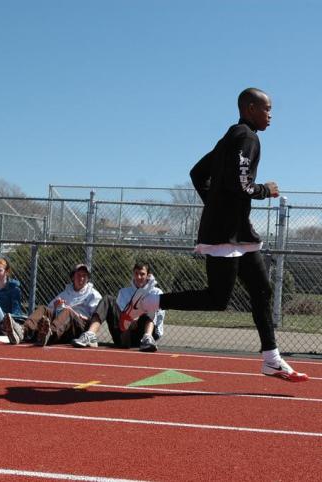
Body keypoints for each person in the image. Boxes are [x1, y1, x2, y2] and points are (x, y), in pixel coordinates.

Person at [124, 88, 307, 382]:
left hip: (239, 232)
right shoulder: (246, 137)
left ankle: (271, 359)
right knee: (217, 298)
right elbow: (242, 183)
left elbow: (197, 173)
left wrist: (215, 203)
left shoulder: (227, 140)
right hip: (224, 234)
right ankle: (151, 302)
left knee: (262, 290)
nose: (271, 115)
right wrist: (265, 191)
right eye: (267, 109)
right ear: (249, 108)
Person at [71, 260, 165, 352]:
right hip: (124, 334)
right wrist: (129, 321)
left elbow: (159, 318)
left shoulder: (156, 292)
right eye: (136, 273)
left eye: (142, 274)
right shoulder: (124, 292)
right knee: (107, 299)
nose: (138, 277)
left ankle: (147, 339)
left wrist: (137, 317)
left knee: (151, 303)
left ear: (148, 276)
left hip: (143, 331)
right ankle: (90, 334)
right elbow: (119, 315)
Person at [3, 263, 101, 346]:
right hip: (62, 326)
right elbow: (49, 312)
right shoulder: (65, 293)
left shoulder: (93, 294)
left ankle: (49, 334)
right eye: (79, 275)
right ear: (73, 277)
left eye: (85, 276)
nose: (82, 278)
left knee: (67, 311)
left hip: (80, 328)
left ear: (88, 279)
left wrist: (76, 314)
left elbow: (96, 319)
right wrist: (55, 307)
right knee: (43, 309)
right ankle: (23, 331)